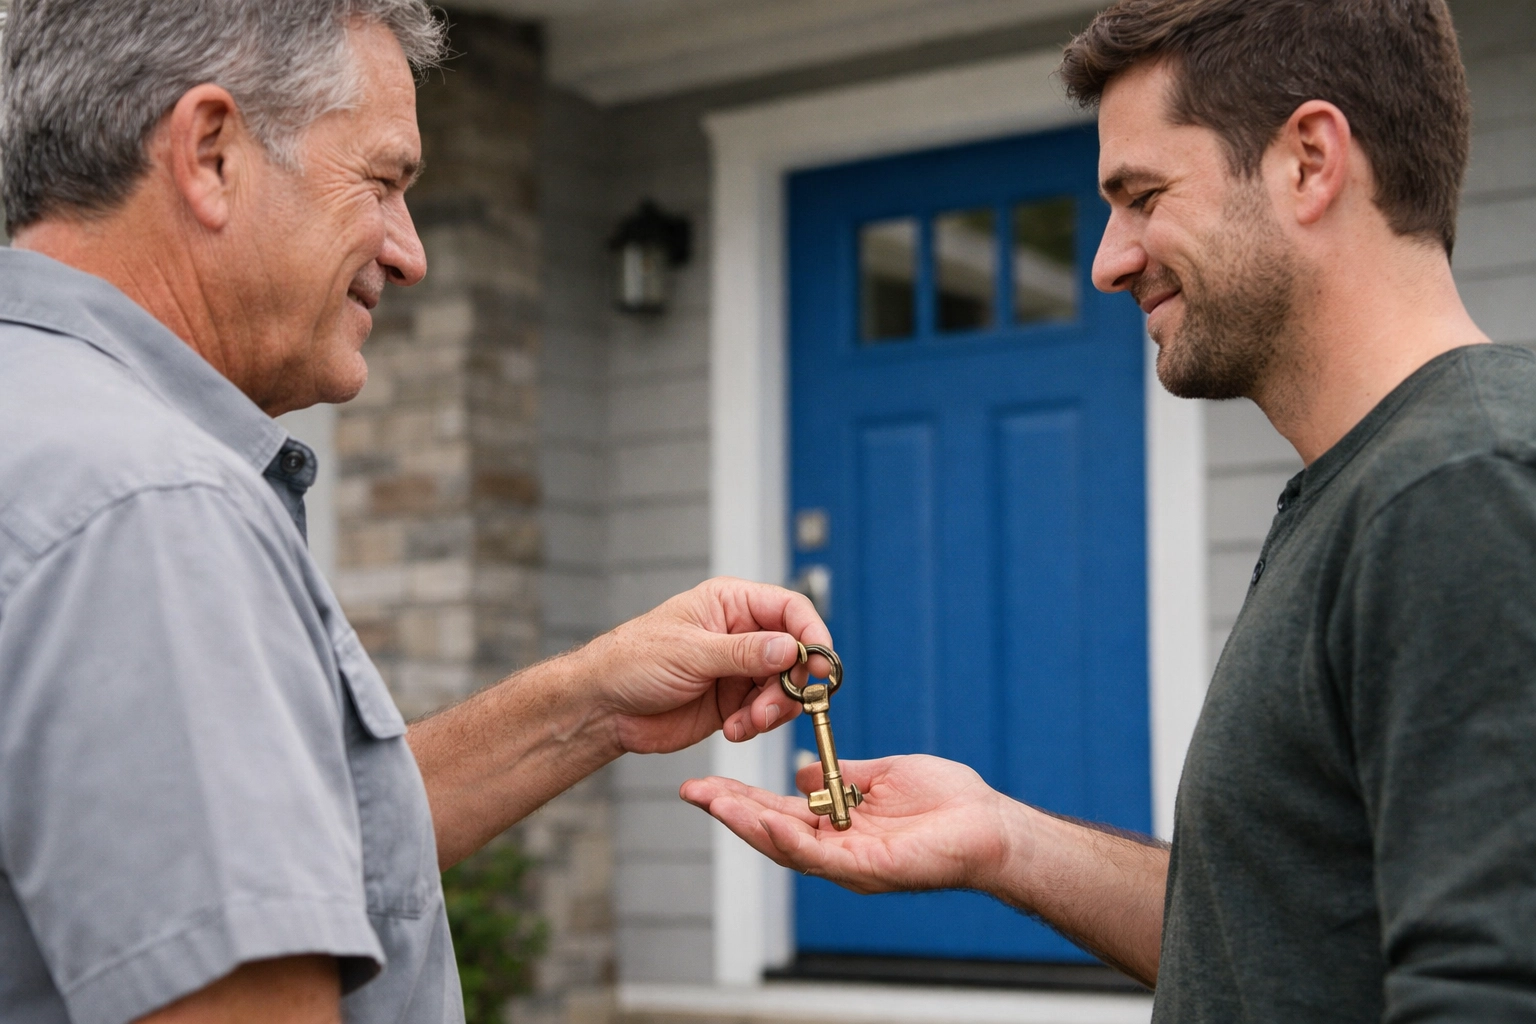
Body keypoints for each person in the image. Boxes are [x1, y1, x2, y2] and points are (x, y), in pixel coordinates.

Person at [684, 0, 1536, 1019]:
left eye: (1142, 196)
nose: (1106, 259)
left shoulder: (1460, 487)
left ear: (1310, 160)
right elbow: (1274, 936)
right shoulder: (1373, 487)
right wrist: (1000, 837)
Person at [0, 3, 822, 1022]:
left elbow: (277, 850)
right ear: (209, 155)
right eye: (383, 182)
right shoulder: (152, 509)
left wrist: (592, 701)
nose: (409, 252)